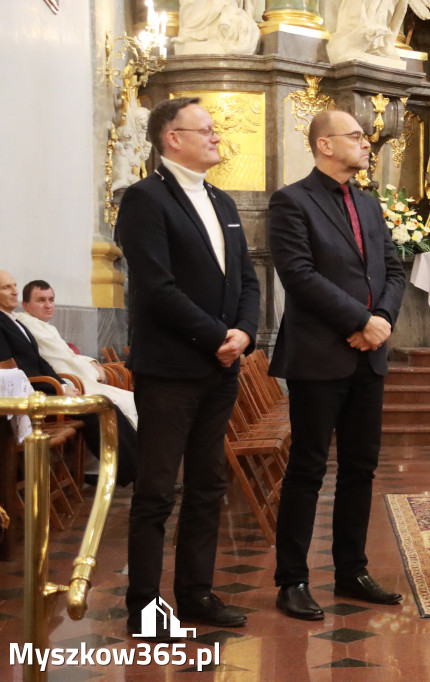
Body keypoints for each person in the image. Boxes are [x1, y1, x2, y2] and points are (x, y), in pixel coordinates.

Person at [116, 97, 261, 638]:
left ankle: (196, 592)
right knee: (157, 490)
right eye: (206, 129)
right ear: (172, 137)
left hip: (221, 367)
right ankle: (145, 607)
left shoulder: (222, 201)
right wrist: (216, 335)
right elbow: (155, 287)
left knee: (208, 484)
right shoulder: (145, 199)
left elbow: (247, 279)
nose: (216, 137)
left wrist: (244, 335)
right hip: (171, 369)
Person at [268, 109, 406, 619]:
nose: (366, 143)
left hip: (369, 355)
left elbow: (393, 267)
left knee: (360, 469)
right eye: (355, 136)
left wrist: (382, 320)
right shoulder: (291, 201)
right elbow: (299, 275)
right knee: (307, 469)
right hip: (319, 354)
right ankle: (292, 580)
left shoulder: (368, 204)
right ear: (324, 145)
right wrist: (358, 320)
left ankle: (351, 571)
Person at [0, 270, 139, 487]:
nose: (13, 291)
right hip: (35, 394)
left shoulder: (14, 321)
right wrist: (59, 388)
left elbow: (42, 362)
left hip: (50, 387)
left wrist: (63, 385)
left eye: (14, 285)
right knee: (97, 407)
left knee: (108, 406)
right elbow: (18, 371)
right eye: (6, 287)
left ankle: (135, 469)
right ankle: (124, 472)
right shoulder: (5, 322)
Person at [17, 280, 138, 428]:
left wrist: (91, 362)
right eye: (41, 300)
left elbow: (67, 355)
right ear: (25, 305)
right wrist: (93, 370)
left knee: (131, 399)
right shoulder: (32, 326)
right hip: (68, 385)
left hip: (74, 380)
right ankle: (128, 449)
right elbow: (63, 363)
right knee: (126, 402)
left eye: (51, 300)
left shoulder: (43, 325)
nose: (48, 305)